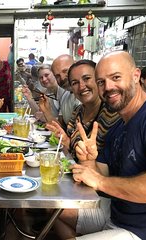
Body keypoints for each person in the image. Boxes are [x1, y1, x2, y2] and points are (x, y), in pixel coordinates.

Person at [70, 51, 146, 240]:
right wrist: (89, 161)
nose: (108, 87)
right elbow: (102, 173)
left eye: (116, 77)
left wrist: (100, 182)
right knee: (49, 212)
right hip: (117, 215)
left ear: (136, 75)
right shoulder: (118, 127)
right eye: (101, 82)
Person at [44, 60, 120, 239]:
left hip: (103, 199)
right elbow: (74, 147)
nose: (82, 86)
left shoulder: (113, 114)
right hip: (80, 184)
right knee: (47, 198)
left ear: (99, 81)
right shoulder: (78, 111)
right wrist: (65, 139)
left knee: (48, 203)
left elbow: (107, 164)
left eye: (87, 78)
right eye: (75, 83)